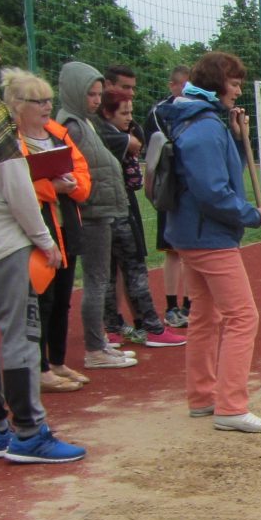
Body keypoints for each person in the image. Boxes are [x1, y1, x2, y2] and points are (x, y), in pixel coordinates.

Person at [156, 51, 261, 434]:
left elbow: (223, 173)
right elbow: (212, 191)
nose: (238, 92)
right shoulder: (205, 126)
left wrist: (240, 141)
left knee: (205, 316)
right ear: (215, 85)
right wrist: (253, 216)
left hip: (194, 235)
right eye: (235, 84)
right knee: (243, 317)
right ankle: (231, 406)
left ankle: (203, 397)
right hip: (209, 237)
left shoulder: (199, 121)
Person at [0, 21, 86, 463]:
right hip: (3, 243)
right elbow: (15, 184)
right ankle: (29, 433)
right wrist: (44, 239)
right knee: (20, 338)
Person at [1, 67, 92, 392]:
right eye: (37, 101)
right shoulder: (10, 139)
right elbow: (14, 185)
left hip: (66, 225)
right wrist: (52, 187)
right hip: (32, 229)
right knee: (42, 298)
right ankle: (38, 369)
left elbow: (81, 171)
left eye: (48, 100)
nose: (45, 107)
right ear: (16, 103)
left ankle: (57, 361)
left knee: (63, 297)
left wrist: (72, 186)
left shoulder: (57, 133)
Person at [56, 60, 137, 369]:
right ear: (76, 92)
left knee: (100, 279)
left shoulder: (85, 121)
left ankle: (99, 342)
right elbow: (81, 170)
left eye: (98, 93)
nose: (96, 100)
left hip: (101, 210)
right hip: (90, 213)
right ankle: (94, 349)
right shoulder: (73, 125)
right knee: (96, 279)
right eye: (90, 94)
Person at [95, 88, 186, 348]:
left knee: (113, 271)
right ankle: (151, 328)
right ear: (107, 113)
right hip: (114, 208)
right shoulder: (104, 134)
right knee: (132, 267)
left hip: (116, 205)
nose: (129, 118)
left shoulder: (118, 132)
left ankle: (113, 329)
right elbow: (138, 144)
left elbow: (139, 142)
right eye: (124, 113)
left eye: (131, 112)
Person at [144, 65, 191, 329]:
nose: (186, 92)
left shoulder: (200, 111)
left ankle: (192, 305)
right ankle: (172, 307)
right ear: (172, 86)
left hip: (193, 190)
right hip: (170, 189)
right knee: (172, 251)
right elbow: (166, 145)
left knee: (196, 251)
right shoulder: (159, 112)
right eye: (182, 86)